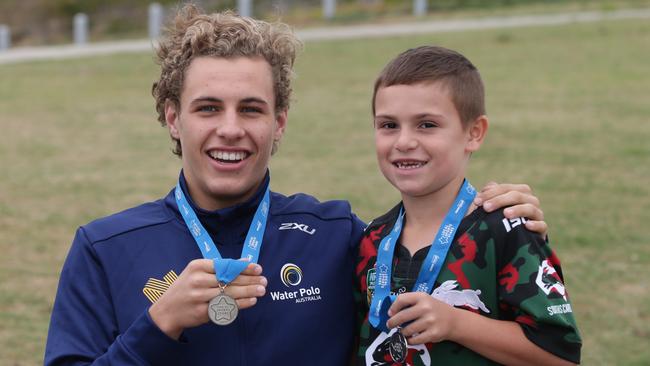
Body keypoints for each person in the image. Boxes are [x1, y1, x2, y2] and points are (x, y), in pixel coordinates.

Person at [44, 5, 549, 365]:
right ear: (173, 118)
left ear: (279, 122)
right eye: (207, 108)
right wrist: (159, 326)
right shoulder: (104, 248)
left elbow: (447, 281)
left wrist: (492, 216)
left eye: (251, 109)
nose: (230, 129)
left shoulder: (338, 234)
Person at [355, 45, 581, 365]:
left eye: (427, 125)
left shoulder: (506, 228)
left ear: (473, 133)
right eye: (389, 125)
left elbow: (561, 355)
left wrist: (455, 323)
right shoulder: (373, 239)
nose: (404, 141)